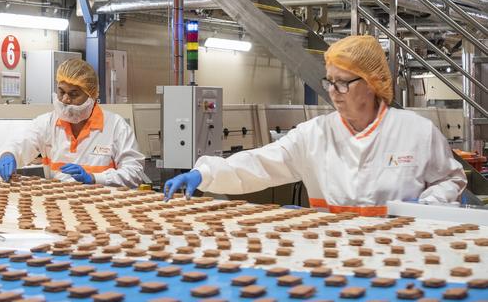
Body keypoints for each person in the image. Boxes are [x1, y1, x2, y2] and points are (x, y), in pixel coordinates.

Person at [164, 35, 467, 216]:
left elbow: (451, 181)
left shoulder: (416, 132)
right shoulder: (314, 134)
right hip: (331, 255)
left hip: (399, 253)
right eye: (329, 82)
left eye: (343, 84)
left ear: (373, 84)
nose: (333, 92)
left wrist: (425, 205)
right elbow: (260, 163)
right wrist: (204, 173)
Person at [0, 59, 145, 188]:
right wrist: (9, 154)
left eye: (74, 94)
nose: (65, 100)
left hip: (102, 206)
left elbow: (134, 173)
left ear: (91, 95)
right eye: (61, 92)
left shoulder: (115, 126)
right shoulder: (48, 123)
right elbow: (21, 141)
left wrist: (94, 178)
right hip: (58, 207)